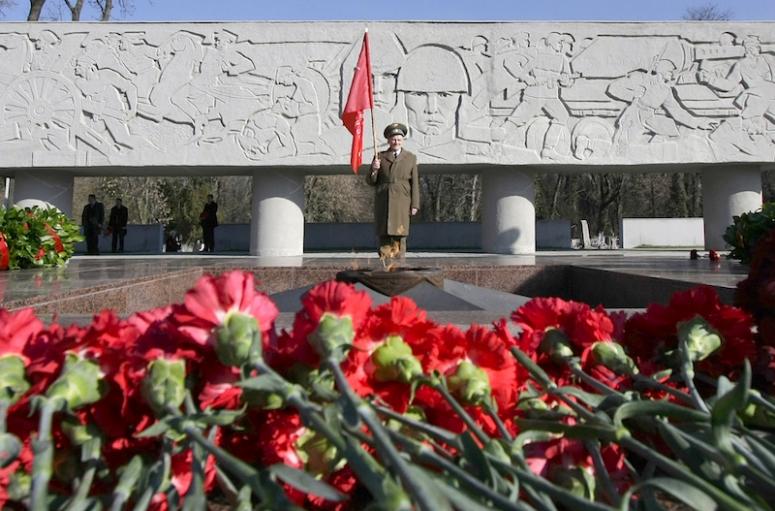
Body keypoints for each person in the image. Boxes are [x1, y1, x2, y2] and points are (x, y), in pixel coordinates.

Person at [368, 123, 420, 259]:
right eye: (393, 139)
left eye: (399, 139)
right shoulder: (379, 156)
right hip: (384, 200)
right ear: (388, 140)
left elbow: (414, 182)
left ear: (402, 140)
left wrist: (415, 204)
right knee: (384, 234)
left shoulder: (410, 158)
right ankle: (385, 264)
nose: (396, 142)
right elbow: (371, 181)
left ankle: (399, 264)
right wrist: (374, 169)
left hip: (402, 202)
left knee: (400, 234)